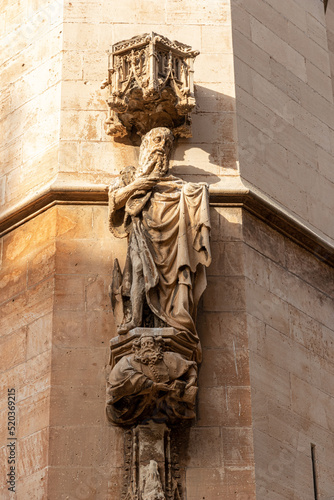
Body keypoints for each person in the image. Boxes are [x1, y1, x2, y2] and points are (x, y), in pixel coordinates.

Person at [109, 127, 211, 362]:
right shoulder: (129, 177)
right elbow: (115, 199)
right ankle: (135, 318)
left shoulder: (176, 185)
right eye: (156, 142)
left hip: (171, 236)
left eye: (166, 145)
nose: (161, 147)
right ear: (145, 147)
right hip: (141, 230)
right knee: (137, 270)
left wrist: (196, 192)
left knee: (175, 275)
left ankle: (171, 318)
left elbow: (187, 191)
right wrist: (143, 182)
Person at [106, 333, 197, 426]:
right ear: (139, 347)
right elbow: (120, 380)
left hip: (164, 402)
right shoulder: (128, 360)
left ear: (157, 345)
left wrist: (191, 379)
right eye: (144, 344)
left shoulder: (169, 357)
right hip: (135, 402)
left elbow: (188, 367)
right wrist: (153, 386)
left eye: (150, 343)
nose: (147, 347)